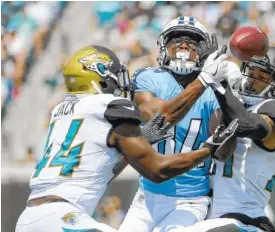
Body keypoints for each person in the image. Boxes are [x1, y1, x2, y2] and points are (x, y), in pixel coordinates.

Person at [15, 45, 232, 232]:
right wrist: (207, 150)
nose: (122, 84)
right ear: (100, 75)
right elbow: (158, 170)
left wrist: (141, 140)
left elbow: (104, 169)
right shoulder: (110, 106)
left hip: (29, 218)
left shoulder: (61, 110)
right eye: (117, 76)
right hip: (63, 218)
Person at [119, 16, 243, 232]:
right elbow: (156, 116)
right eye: (176, 39)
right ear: (163, 47)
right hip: (147, 195)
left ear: (203, 52)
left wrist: (227, 92)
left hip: (191, 200)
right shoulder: (150, 77)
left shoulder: (213, 89)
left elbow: (222, 151)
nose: (184, 45)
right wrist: (203, 80)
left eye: (192, 41)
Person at [180, 46, 275, 232]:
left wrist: (220, 85)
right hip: (215, 217)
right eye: (250, 72)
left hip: (246, 220)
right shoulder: (236, 107)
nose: (251, 80)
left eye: (262, 77)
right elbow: (219, 151)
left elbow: (246, 124)